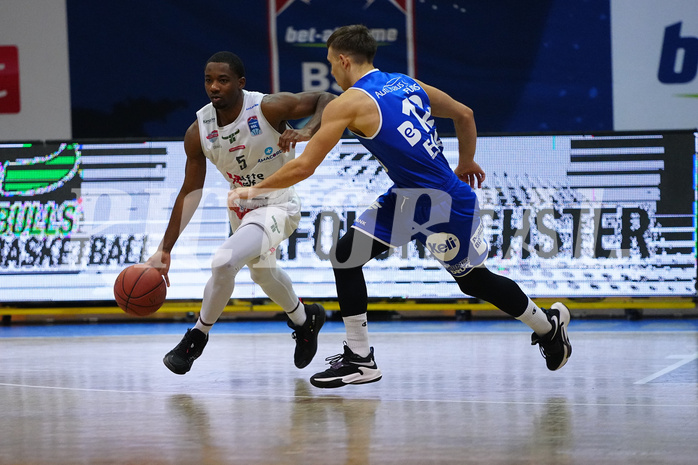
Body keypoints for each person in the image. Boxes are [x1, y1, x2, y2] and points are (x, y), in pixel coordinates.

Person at [229, 25, 572, 388]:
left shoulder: (349, 102)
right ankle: (360, 358)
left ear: (344, 60)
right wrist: (467, 161)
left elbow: (304, 167)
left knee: (473, 281)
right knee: (345, 255)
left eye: (332, 64)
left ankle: (548, 327)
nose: (331, 72)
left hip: (440, 204)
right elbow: (465, 114)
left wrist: (252, 191)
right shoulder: (405, 83)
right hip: (411, 197)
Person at [147, 51, 335, 375]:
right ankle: (307, 320)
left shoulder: (267, 107)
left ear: (240, 83)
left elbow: (327, 99)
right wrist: (165, 249)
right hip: (242, 209)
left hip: (279, 203)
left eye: (223, 80)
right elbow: (189, 192)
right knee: (263, 274)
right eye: (209, 80)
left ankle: (196, 337)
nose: (214, 87)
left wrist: (308, 130)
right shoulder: (199, 131)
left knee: (223, 261)